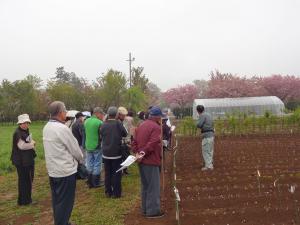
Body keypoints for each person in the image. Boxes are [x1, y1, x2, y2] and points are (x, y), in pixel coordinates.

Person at [43, 101, 83, 225]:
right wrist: (81, 159)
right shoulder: (62, 128)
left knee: (57, 200)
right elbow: (75, 150)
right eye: (65, 111)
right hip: (65, 172)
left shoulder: (47, 127)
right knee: (66, 202)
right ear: (60, 112)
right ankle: (62, 222)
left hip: (53, 170)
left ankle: (62, 221)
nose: (66, 113)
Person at [132, 106, 165, 218]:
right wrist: (142, 153)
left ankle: (145, 209)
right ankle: (153, 211)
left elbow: (134, 141)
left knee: (145, 186)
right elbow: (153, 143)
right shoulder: (156, 127)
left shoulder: (141, 125)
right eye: (160, 117)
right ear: (157, 117)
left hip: (141, 160)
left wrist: (137, 153)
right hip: (150, 160)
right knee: (153, 186)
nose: (161, 119)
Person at [100, 107, 128, 198]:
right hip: (116, 152)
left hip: (106, 153)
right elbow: (125, 133)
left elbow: (101, 135)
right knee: (116, 173)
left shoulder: (103, 124)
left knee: (107, 173)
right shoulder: (118, 123)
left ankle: (108, 192)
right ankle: (116, 193)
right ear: (116, 114)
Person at [11, 114, 36, 206]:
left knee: (26, 180)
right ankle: (26, 201)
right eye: (24, 123)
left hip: (27, 160)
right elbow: (21, 146)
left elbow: (28, 141)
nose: (26, 124)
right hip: (22, 162)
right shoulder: (18, 133)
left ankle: (23, 200)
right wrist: (32, 144)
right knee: (25, 180)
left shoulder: (25, 131)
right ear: (20, 123)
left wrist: (31, 142)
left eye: (27, 123)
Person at [84, 107, 105, 188]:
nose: (102, 116)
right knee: (97, 164)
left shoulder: (86, 121)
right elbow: (102, 135)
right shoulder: (100, 122)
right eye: (102, 114)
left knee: (89, 163)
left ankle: (89, 181)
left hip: (88, 145)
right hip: (96, 145)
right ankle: (96, 182)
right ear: (97, 113)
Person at [196, 105, 215, 171]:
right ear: (203, 109)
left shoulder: (202, 115)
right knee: (210, 150)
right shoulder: (209, 115)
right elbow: (213, 123)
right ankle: (210, 163)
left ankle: (209, 166)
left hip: (206, 135)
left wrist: (197, 123)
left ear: (198, 111)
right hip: (211, 134)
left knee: (206, 151)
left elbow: (199, 125)